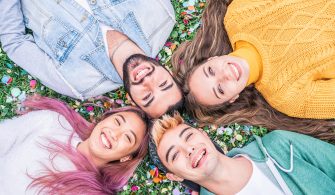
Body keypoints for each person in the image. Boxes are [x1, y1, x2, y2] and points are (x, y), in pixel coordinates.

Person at [171, 0, 335, 140]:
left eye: (211, 71)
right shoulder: (286, 97)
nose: (225, 75)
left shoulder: (238, 15)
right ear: (232, 98)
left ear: (212, 59)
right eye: (220, 90)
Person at [0, 0, 183, 118]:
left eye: (147, 96)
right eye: (163, 84)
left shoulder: (77, 83)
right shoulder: (160, 13)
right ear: (169, 71)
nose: (147, 81)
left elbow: (14, 41)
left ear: (131, 99)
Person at [150, 113, 335, 195]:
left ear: (204, 135)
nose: (188, 149)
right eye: (174, 155)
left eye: (188, 136)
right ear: (174, 176)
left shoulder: (279, 145)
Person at [0, 95, 149, 194]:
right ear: (104, 119)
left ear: (126, 158)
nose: (114, 134)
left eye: (128, 137)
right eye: (117, 121)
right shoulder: (52, 121)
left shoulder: (90, 192)